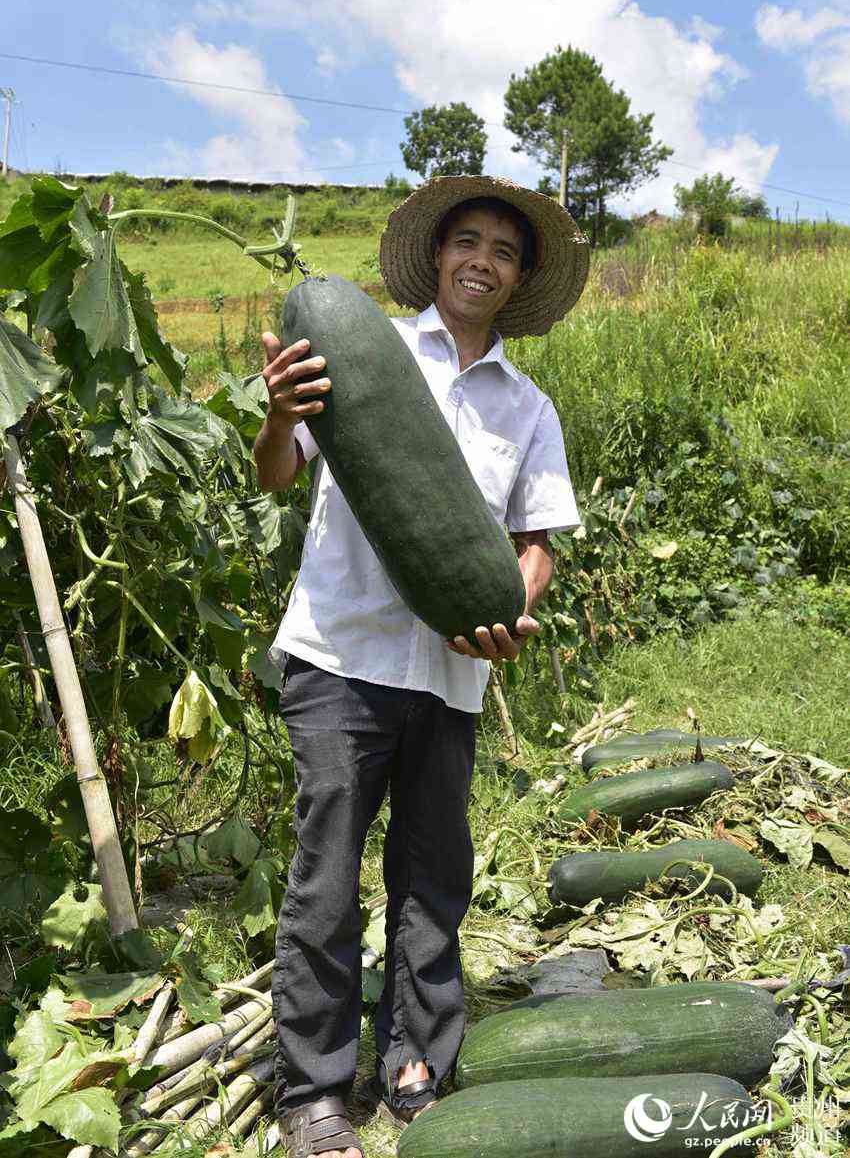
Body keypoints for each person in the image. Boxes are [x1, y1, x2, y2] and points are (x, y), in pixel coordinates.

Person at [254, 175, 590, 1158]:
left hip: (453, 672)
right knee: (325, 881)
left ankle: (412, 1072)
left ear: (517, 278)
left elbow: (537, 539)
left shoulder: (529, 407)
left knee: (433, 877)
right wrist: (277, 416)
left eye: (502, 250)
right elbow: (277, 472)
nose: (480, 259)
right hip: (339, 655)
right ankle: (312, 1095)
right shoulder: (362, 351)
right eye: (466, 241)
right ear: (437, 256)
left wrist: (511, 610)